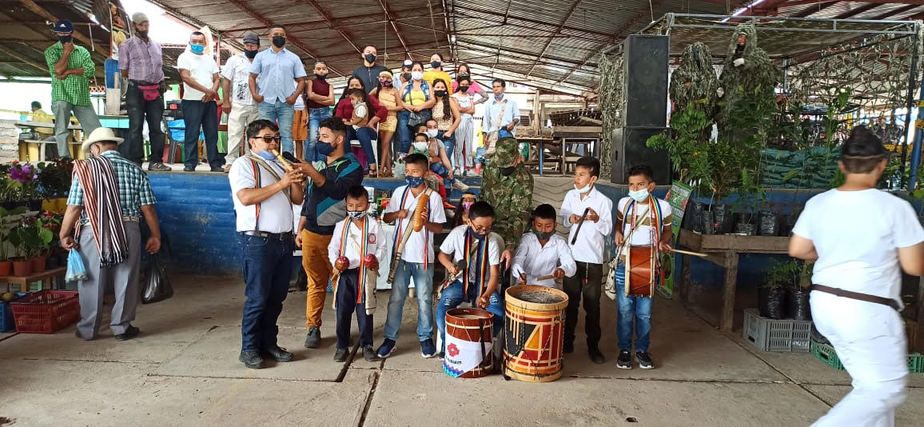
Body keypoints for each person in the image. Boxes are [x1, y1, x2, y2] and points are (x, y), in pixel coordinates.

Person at [789, 126, 924, 427]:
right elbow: (915, 266)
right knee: (885, 388)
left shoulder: (819, 203)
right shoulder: (895, 208)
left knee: (870, 385)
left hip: (824, 304)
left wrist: (834, 252)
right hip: (867, 308)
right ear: (882, 164)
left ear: (842, 166)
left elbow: (798, 249)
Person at [58, 127, 162, 341]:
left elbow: (75, 206)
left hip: (93, 230)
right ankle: (121, 327)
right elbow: (148, 208)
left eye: (92, 150)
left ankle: (88, 329)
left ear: (96, 147)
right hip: (128, 227)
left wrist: (64, 233)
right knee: (126, 277)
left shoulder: (86, 169)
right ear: (114, 145)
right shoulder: (134, 169)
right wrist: (155, 235)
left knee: (91, 279)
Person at [229, 119, 305, 369]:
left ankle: (269, 343)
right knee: (257, 297)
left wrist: (295, 180)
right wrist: (282, 183)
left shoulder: (279, 165)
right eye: (267, 138)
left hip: (283, 240)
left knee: (276, 297)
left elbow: (297, 199)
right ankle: (249, 348)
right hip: (258, 240)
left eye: (276, 139)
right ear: (252, 141)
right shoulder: (244, 164)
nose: (274, 144)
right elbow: (246, 197)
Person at [295, 117, 363, 350]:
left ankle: (342, 331)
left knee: (342, 285)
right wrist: (300, 227)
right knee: (315, 283)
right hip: (311, 233)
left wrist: (312, 173)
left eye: (325, 137)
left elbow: (337, 191)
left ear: (339, 139)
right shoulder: (320, 164)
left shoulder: (352, 166)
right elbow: (309, 199)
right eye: (319, 136)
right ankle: (312, 327)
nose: (320, 141)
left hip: (338, 236)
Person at [376, 153, 446, 359]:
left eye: (415, 172)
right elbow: (386, 218)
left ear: (425, 172)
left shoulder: (433, 197)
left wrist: (425, 223)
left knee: (424, 298)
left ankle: (425, 337)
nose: (410, 175)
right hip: (402, 255)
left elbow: (439, 228)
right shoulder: (400, 192)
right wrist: (397, 214)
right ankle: (390, 338)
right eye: (407, 172)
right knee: (396, 298)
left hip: (423, 257)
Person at [613, 165, 672, 370]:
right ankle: (624, 350)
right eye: (631, 185)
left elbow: (668, 231)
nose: (635, 188)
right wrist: (617, 233)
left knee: (644, 313)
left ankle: (642, 350)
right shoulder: (624, 204)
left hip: (649, 264)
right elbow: (619, 224)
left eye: (640, 184)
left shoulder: (663, 207)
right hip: (625, 263)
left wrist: (664, 242)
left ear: (651, 186)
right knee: (624, 310)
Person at [560, 156, 612, 364]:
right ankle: (567, 341)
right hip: (572, 258)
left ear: (593, 179)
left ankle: (593, 346)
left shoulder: (603, 201)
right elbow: (564, 220)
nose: (577, 178)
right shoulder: (570, 196)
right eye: (576, 174)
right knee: (570, 302)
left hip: (592, 259)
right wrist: (570, 218)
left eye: (582, 175)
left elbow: (607, 230)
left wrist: (597, 219)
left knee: (592, 305)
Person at [435, 201, 504, 357]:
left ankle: (483, 347)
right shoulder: (457, 233)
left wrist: (486, 295)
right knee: (442, 311)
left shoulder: (492, 241)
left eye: (488, 228)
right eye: (479, 227)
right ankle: (448, 344)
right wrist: (450, 266)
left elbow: (494, 275)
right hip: (460, 283)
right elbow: (442, 255)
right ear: (468, 221)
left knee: (498, 313)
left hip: (485, 285)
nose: (483, 231)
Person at [328, 186, 385, 362]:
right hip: (346, 274)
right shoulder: (341, 226)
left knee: (365, 311)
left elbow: (382, 247)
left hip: (365, 273)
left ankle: (367, 345)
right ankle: (342, 346)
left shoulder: (374, 225)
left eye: (359, 206)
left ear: (367, 205)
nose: (355, 210)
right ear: (346, 204)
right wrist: (336, 262)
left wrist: (375, 259)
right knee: (343, 311)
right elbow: (332, 247)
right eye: (351, 206)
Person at [44, 19, 101, 160]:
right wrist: (66, 53)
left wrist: (69, 71)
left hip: (81, 96)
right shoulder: (51, 51)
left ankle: (100, 157)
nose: (63, 35)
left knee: (95, 130)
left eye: (66, 32)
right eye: (60, 33)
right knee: (61, 129)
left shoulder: (82, 51)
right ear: (56, 33)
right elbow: (58, 71)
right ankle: (64, 159)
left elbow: (90, 70)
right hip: (61, 95)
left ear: (72, 33)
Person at [120, 12, 169, 170]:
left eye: (146, 24)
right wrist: (140, 79)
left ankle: (156, 161)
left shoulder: (156, 45)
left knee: (157, 127)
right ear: (134, 25)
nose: (144, 27)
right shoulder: (126, 45)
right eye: (141, 25)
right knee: (136, 127)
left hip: (156, 89)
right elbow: (124, 71)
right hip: (136, 89)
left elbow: (159, 67)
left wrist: (160, 82)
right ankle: (136, 162)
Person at [249, 24, 307, 155]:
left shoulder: (293, 58)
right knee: (266, 134)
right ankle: (267, 161)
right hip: (265, 101)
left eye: (281, 35)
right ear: (269, 37)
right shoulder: (261, 56)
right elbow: (252, 77)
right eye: (275, 35)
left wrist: (294, 96)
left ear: (286, 37)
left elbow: (302, 80)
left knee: (286, 134)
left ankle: (287, 162)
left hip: (286, 102)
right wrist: (254, 94)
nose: (278, 37)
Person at [481, 137, 533, 273]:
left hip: (509, 228)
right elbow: (483, 196)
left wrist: (510, 245)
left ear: (517, 158)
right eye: (501, 165)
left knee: (504, 266)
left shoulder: (523, 179)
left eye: (508, 165)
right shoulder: (490, 168)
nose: (504, 168)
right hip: (486, 224)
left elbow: (519, 215)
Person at [177, 31, 221, 172]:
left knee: (212, 133)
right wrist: (207, 91)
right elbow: (186, 77)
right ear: (189, 42)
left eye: (200, 41)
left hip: (210, 102)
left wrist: (212, 92)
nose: (197, 44)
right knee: (192, 133)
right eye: (194, 41)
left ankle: (215, 163)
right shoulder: (184, 57)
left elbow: (217, 78)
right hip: (191, 101)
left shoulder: (209, 59)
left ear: (205, 43)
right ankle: (190, 163)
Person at [221, 32, 262, 171]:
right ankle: (230, 162)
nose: (250, 48)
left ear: (258, 46)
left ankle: (251, 162)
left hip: (256, 104)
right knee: (235, 132)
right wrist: (226, 101)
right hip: (238, 103)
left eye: (253, 45)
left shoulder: (262, 60)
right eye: (247, 45)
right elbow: (226, 80)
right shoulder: (234, 60)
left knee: (254, 134)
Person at [511, 204, 576, 288]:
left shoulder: (560, 242)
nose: (543, 230)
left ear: (555, 225)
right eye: (539, 225)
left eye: (548, 226)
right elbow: (517, 260)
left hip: (548, 287)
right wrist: (520, 273)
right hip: (524, 284)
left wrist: (562, 269)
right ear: (533, 224)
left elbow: (571, 265)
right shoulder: (526, 239)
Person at [334, 78, 386, 175]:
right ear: (348, 87)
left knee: (361, 131)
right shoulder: (343, 101)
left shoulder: (369, 99)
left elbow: (383, 110)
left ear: (362, 87)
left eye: (357, 85)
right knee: (345, 133)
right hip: (351, 130)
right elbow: (338, 118)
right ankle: (350, 164)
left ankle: (372, 164)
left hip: (367, 131)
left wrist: (371, 122)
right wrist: (345, 121)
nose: (354, 87)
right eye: (351, 85)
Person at [400, 62, 435, 154]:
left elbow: (432, 101)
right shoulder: (405, 85)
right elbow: (398, 100)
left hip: (423, 115)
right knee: (405, 140)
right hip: (406, 114)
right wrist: (408, 106)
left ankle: (421, 160)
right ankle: (403, 161)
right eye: (415, 70)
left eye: (419, 70)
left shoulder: (427, 85)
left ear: (423, 71)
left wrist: (421, 106)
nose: (417, 71)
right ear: (411, 71)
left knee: (422, 140)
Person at [305, 61, 334, 162]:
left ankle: (322, 164)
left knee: (325, 139)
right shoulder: (310, 82)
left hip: (326, 113)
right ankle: (308, 163)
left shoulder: (330, 85)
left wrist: (315, 97)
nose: (321, 71)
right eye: (318, 69)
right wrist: (326, 98)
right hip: (314, 114)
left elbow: (332, 101)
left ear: (327, 70)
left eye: (323, 69)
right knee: (313, 139)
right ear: (314, 71)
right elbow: (310, 95)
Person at [376, 70, 403, 177]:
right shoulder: (377, 90)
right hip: (381, 119)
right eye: (382, 77)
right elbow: (368, 98)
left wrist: (387, 108)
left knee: (386, 143)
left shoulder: (394, 90)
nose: (385, 80)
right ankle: (389, 170)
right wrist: (377, 106)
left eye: (387, 78)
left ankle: (381, 168)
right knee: (385, 144)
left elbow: (400, 106)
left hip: (392, 119)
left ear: (391, 79)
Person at [482, 78, 519, 155]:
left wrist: (513, 123)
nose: (495, 89)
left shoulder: (511, 102)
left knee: (506, 156)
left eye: (498, 86)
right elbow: (486, 120)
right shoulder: (489, 103)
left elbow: (517, 117)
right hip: (493, 133)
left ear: (504, 88)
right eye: (494, 87)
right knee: (492, 156)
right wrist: (485, 136)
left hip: (506, 133)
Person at [430, 79, 461, 169]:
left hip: (447, 135)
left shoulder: (450, 100)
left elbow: (458, 118)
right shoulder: (432, 102)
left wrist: (450, 132)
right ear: (433, 89)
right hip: (435, 135)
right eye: (437, 87)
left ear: (445, 89)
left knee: (444, 161)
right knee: (436, 161)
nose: (440, 89)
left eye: (442, 87)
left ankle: (448, 177)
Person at [452, 75, 476, 174]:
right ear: (459, 84)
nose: (464, 86)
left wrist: (463, 109)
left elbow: (473, 111)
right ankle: (457, 166)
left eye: (466, 84)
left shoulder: (470, 96)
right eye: (462, 84)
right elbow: (458, 109)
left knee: (469, 144)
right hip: (460, 121)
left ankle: (468, 167)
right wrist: (467, 109)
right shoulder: (454, 96)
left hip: (470, 121)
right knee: (459, 144)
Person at [395, 59, 414, 154]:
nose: (408, 71)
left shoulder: (416, 81)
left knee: (414, 139)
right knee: (403, 139)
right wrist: (406, 106)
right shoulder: (395, 79)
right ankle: (401, 161)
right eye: (407, 69)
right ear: (402, 69)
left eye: (410, 69)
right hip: (401, 112)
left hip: (415, 113)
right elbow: (396, 97)